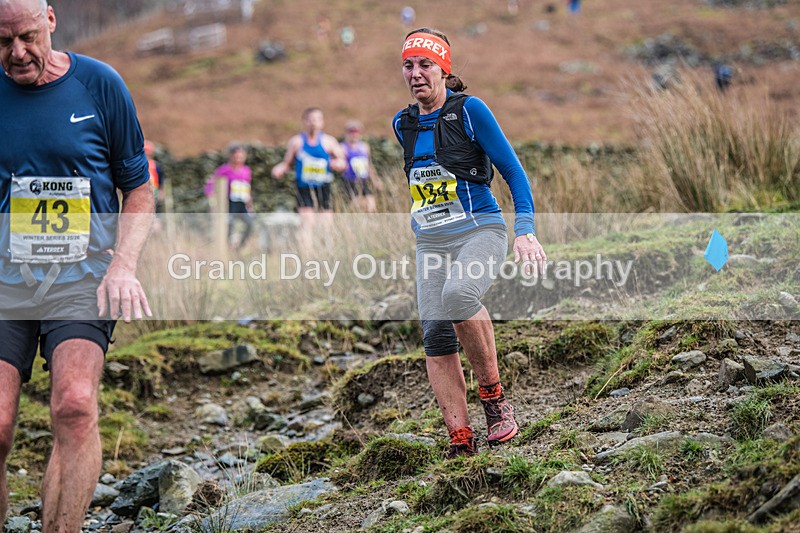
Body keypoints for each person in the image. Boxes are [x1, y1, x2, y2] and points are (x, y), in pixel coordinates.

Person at [0, 0, 154, 529]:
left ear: (50, 20)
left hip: (83, 274)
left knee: (75, 404)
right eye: (2, 42)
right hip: (5, 279)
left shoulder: (99, 84)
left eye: (27, 37)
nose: (17, 53)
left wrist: (124, 265)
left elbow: (138, 189)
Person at [393, 28, 546, 458]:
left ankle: (496, 403)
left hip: (481, 231)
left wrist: (525, 230)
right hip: (431, 244)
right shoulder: (403, 124)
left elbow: (513, 172)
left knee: (459, 295)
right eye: (408, 65)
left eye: (425, 65)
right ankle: (460, 440)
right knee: (435, 334)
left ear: (443, 69)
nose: (416, 73)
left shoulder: (470, 111)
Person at [271, 107, 346, 220]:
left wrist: (338, 163)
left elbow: (343, 161)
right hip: (304, 187)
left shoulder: (329, 141)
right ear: (304, 122)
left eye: (317, 119)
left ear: (322, 122)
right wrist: (279, 169)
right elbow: (286, 163)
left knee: (326, 221)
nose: (313, 123)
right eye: (310, 120)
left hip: (324, 186)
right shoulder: (296, 142)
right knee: (307, 221)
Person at [207, 142, 255, 251]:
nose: (238, 158)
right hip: (228, 204)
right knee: (229, 225)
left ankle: (239, 248)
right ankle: (226, 249)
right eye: (236, 155)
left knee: (250, 224)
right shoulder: (224, 170)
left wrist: (250, 205)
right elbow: (211, 184)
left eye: (241, 155)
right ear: (231, 155)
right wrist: (212, 200)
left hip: (242, 204)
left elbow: (247, 188)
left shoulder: (246, 170)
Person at [340, 119, 382, 213]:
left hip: (364, 180)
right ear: (346, 133)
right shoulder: (342, 147)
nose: (354, 134)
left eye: (356, 131)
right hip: (349, 181)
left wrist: (376, 180)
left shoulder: (364, 147)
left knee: (371, 206)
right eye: (351, 131)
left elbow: (369, 165)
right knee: (356, 207)